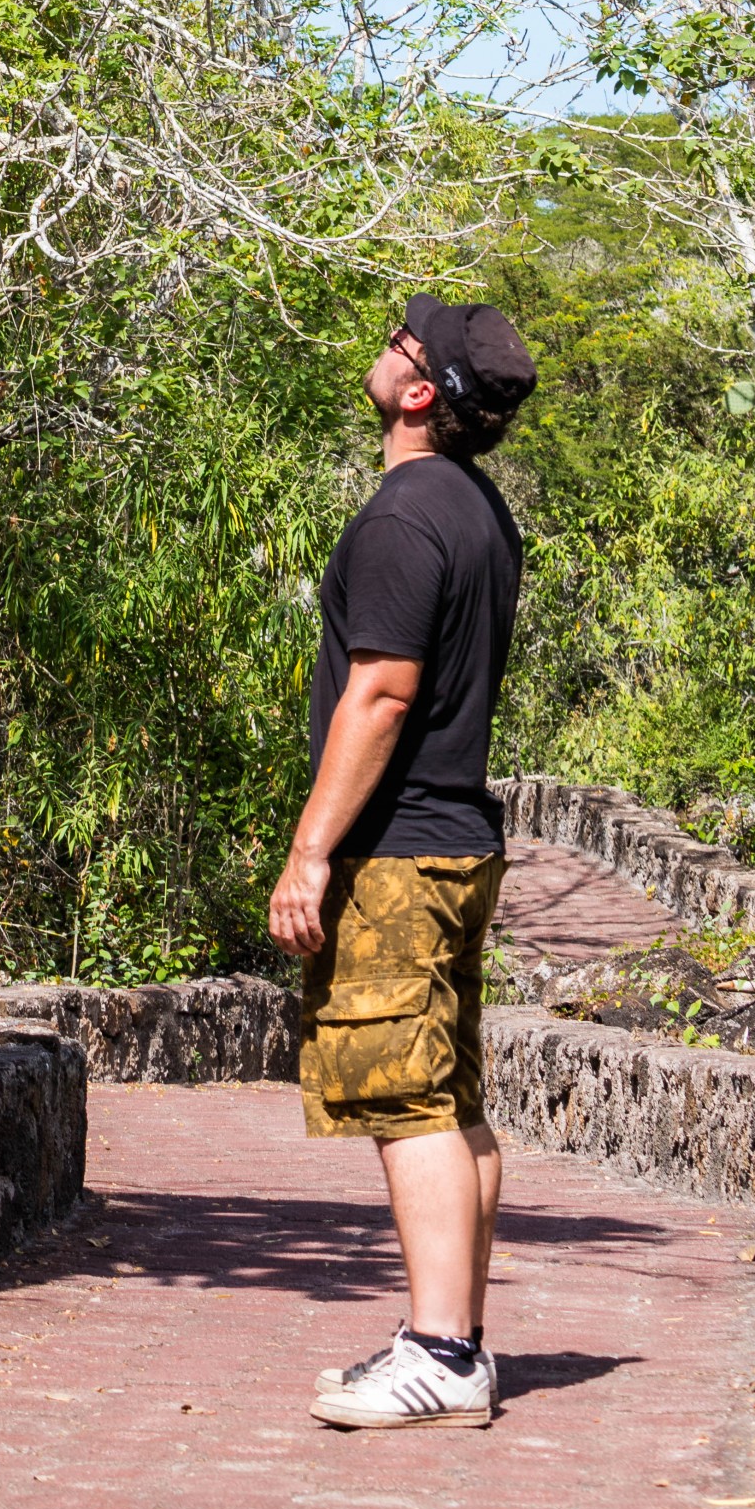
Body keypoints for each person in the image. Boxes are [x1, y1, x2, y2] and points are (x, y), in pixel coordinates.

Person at [267, 294, 538, 1434]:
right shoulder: (478, 511)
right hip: (458, 841)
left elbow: (377, 695)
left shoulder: (399, 518)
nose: (382, 346)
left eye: (397, 340)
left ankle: (437, 1347)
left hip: (399, 849)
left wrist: (309, 851)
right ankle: (455, 1341)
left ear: (420, 392)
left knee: (404, 1100)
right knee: (454, 1100)